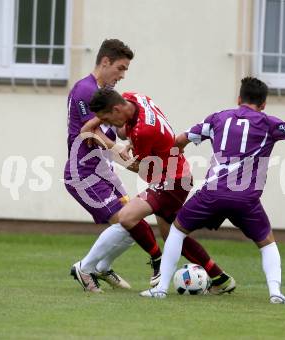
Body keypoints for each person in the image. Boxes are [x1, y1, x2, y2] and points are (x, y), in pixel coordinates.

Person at [139, 76, 285, 301]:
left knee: (177, 230)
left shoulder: (217, 118)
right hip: (245, 199)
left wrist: (174, 152)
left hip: (212, 194)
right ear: (263, 104)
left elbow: (179, 140)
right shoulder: (269, 123)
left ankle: (161, 288)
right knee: (266, 242)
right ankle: (276, 293)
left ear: (239, 98)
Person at [84, 89, 236, 294]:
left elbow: (139, 167)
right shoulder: (134, 97)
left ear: (117, 108)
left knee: (127, 217)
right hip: (175, 175)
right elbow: (131, 130)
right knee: (173, 235)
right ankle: (220, 278)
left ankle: (157, 261)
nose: (106, 123)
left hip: (171, 180)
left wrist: (109, 144)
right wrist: (97, 127)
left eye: (106, 118)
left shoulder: (142, 132)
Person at [65, 38, 159, 293]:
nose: (122, 75)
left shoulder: (107, 96)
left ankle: (102, 267)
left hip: (103, 173)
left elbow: (116, 129)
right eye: (120, 68)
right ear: (105, 62)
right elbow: (88, 133)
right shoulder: (85, 90)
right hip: (84, 174)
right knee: (128, 223)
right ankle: (85, 269)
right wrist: (117, 149)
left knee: (134, 222)